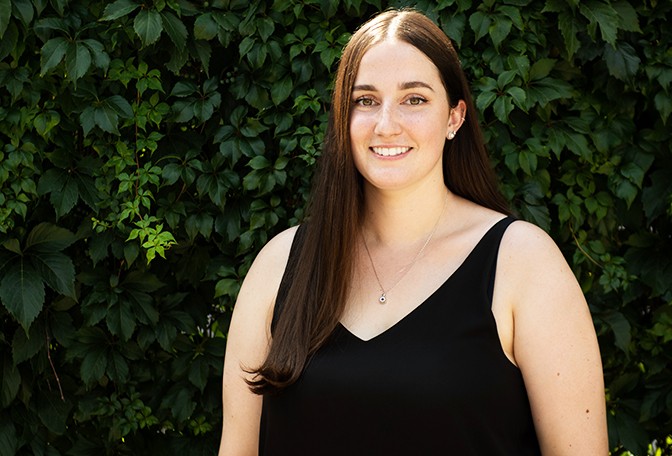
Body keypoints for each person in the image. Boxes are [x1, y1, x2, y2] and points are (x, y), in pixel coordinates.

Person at [220, 8, 607, 456]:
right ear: (343, 118)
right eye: (365, 100)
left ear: (454, 118)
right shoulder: (279, 266)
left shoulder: (523, 264)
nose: (386, 124)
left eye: (415, 99)